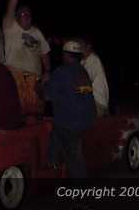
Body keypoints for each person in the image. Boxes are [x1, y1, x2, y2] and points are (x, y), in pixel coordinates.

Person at [45, 42, 96, 180]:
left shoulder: (61, 72)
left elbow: (47, 95)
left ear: (66, 55)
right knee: (57, 132)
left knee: (75, 160)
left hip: (71, 123)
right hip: (87, 118)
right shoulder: (83, 71)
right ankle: (54, 161)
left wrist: (41, 84)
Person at [3, 0, 51, 117]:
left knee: (35, 114)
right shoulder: (10, 27)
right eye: (23, 14)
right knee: (17, 113)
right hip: (15, 76)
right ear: (17, 17)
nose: (27, 16)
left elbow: (45, 53)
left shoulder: (37, 32)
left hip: (35, 79)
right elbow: (11, 7)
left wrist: (47, 71)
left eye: (29, 14)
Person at [65, 38, 110, 117]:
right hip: (90, 99)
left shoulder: (93, 60)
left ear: (89, 46)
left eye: (80, 45)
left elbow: (85, 85)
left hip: (97, 100)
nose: (78, 48)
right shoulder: (83, 61)